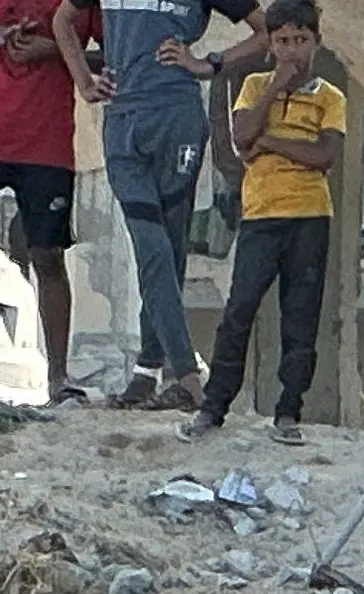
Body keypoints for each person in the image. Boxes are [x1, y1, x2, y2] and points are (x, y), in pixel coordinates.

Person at [94, 0, 259, 407]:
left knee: (169, 248)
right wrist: (85, 78)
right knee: (152, 249)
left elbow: (266, 29)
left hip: (177, 117)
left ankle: (149, 369)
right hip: (122, 119)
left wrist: (209, 63)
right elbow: (65, 18)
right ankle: (187, 373)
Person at [182, 0, 333, 440]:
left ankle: (289, 412)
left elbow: (323, 155)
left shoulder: (329, 97)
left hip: (310, 217)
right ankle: (214, 407)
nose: (291, 50)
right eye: (282, 40)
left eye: (300, 41)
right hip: (262, 216)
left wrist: (269, 141)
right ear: (270, 45)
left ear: (315, 43)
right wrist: (274, 91)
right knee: (239, 309)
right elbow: (241, 136)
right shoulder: (251, 87)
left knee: (300, 316)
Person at [1, 0, 99, 405]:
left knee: (48, 257)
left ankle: (58, 378)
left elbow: (119, 49)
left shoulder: (77, 3)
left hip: (47, 145)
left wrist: (56, 47)